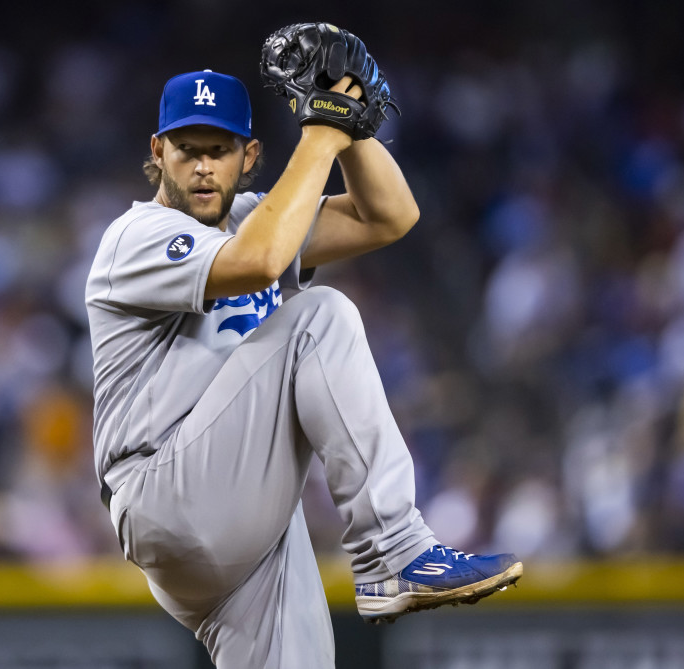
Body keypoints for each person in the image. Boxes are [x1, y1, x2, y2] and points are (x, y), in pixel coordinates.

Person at [85, 69, 522, 668]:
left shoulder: (254, 216)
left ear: (250, 154)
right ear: (159, 152)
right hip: (164, 491)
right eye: (188, 150)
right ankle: (392, 548)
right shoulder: (136, 234)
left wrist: (352, 125)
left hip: (243, 517)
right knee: (319, 316)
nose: (204, 167)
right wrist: (320, 134)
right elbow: (260, 261)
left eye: (220, 150)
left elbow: (388, 217)